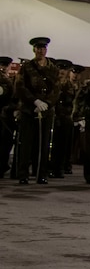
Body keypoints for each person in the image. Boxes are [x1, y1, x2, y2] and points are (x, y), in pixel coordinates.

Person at [15, 37, 59, 185]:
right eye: (38, 48)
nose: (40, 51)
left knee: (43, 144)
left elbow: (56, 89)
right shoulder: (27, 67)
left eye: (43, 48)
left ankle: (41, 174)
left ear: (46, 50)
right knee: (26, 144)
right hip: (29, 109)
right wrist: (34, 101)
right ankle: (23, 175)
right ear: (34, 50)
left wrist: (46, 103)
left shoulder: (53, 68)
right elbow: (20, 86)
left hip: (46, 111)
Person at [49, 59, 76, 179]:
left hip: (64, 118)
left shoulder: (69, 85)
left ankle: (59, 169)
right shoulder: (51, 82)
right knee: (49, 145)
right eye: (60, 69)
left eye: (64, 69)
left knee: (62, 145)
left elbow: (69, 102)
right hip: (51, 117)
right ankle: (47, 168)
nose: (61, 71)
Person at [0, 56, 14, 178]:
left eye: (6, 65)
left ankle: (3, 166)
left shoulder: (12, 80)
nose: (3, 68)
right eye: (2, 65)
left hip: (8, 117)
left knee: (7, 142)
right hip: (1, 115)